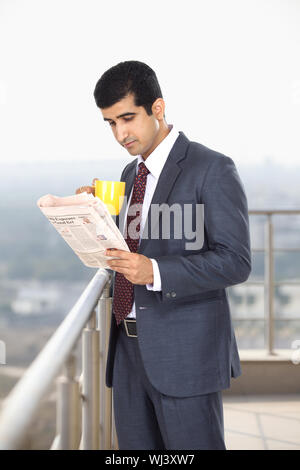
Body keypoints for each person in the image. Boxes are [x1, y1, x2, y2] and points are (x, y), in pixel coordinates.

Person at [77, 60, 251, 450]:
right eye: (110, 123)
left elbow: (236, 260)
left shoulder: (213, 168)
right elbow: (135, 246)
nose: (120, 134)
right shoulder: (128, 174)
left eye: (127, 118)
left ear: (157, 108)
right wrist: (96, 220)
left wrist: (154, 270)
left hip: (185, 353)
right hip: (127, 351)